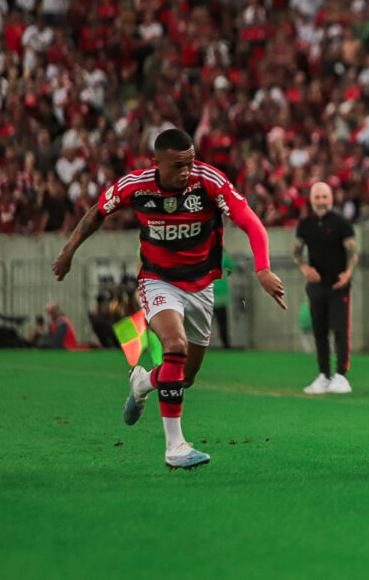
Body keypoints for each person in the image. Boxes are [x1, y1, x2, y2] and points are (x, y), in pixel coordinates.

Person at [51, 128, 286, 470]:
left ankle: (143, 382)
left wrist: (263, 269)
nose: (187, 171)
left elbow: (251, 223)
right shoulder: (136, 185)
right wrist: (68, 251)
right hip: (158, 280)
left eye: (190, 162)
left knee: (185, 377)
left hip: (202, 286)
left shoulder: (209, 181)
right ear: (156, 163)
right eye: (178, 166)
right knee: (174, 346)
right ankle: (176, 446)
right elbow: (96, 212)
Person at [293, 182, 358, 395]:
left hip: (338, 285)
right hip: (316, 286)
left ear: (331, 198)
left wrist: (347, 274)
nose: (321, 201)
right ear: (311, 200)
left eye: (324, 197)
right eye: (317, 197)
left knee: (340, 330)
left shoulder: (341, 223)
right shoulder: (305, 224)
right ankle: (324, 375)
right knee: (319, 332)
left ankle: (341, 375)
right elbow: (297, 252)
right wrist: (304, 267)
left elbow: (353, 252)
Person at [212, 250, 237, 349]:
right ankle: (226, 344)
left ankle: (198, 345)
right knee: (222, 322)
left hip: (206, 293)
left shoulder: (203, 253)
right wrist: (225, 276)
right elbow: (232, 267)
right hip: (221, 294)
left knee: (203, 323)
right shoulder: (223, 255)